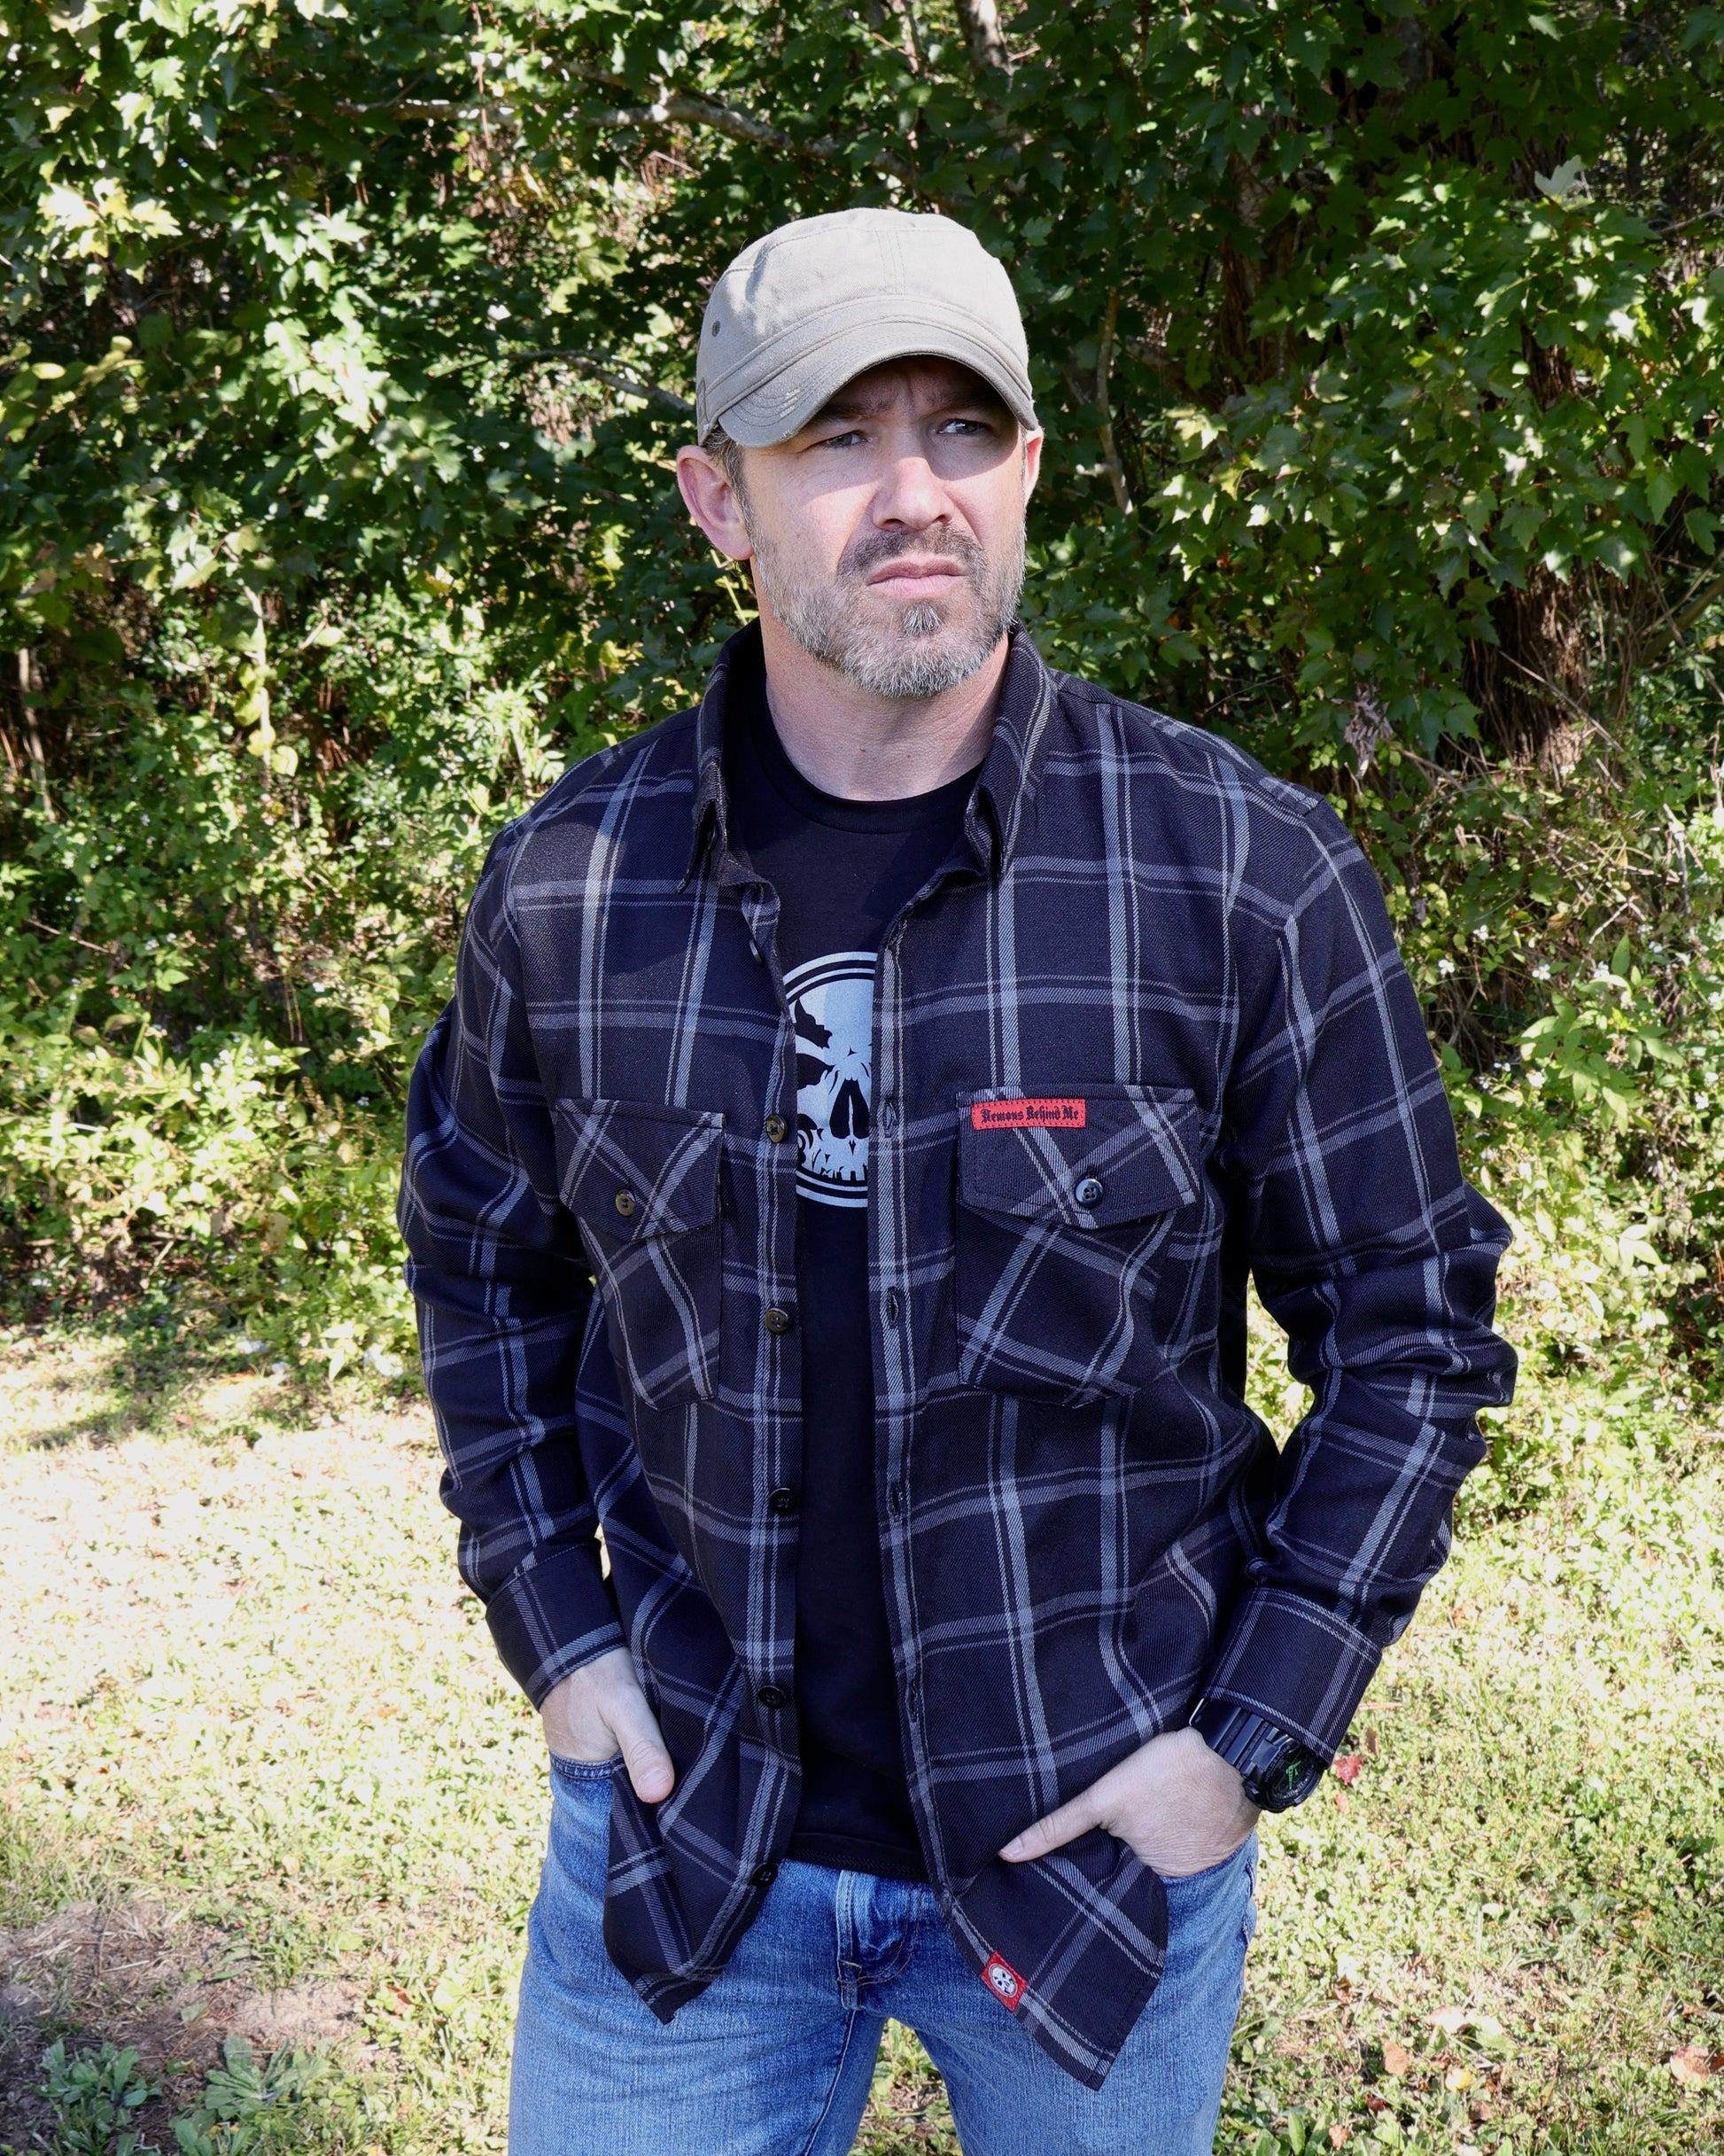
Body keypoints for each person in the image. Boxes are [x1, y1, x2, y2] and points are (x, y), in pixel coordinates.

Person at [399, 206, 1517, 2156]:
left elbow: (1411, 1335)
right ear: (718, 500)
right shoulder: (572, 886)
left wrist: (1243, 1737)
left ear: (1025, 472)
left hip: (1097, 1854)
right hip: (689, 1846)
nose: (912, 490)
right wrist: (557, 1632)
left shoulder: (1237, 876)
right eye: (836, 436)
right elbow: (483, 1268)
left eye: (960, 428)